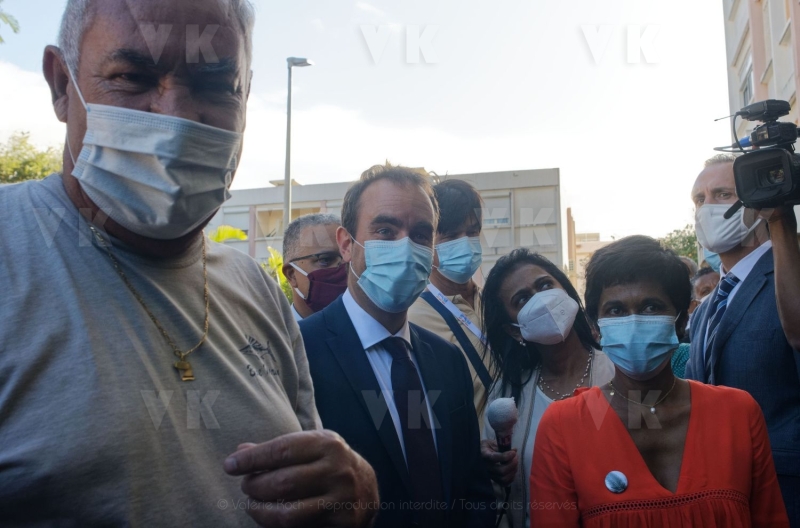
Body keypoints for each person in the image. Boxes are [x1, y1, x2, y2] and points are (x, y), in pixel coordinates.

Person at [0, 1, 379, 526]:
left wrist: (355, 494)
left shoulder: (254, 287)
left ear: (245, 93)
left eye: (215, 84)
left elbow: (311, 486)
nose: (176, 114)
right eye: (132, 77)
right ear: (62, 85)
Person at [530, 235, 789, 527]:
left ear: (680, 322)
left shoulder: (737, 413)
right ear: (596, 328)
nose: (634, 321)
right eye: (615, 310)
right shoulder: (565, 425)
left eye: (651, 307)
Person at [299, 164, 495, 528]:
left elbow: (472, 489)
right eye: (386, 230)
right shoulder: (299, 355)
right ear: (346, 244)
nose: (405, 246)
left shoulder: (447, 360)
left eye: (421, 234)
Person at [686, 154, 800, 525]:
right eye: (699, 199)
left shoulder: (791, 280)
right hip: (722, 499)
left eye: (721, 194)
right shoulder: (704, 310)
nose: (707, 209)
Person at [479, 249, 614, 528]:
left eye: (544, 285)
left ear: (564, 289)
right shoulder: (505, 396)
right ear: (515, 330)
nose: (540, 299)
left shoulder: (619, 373)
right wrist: (491, 466)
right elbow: (498, 498)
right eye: (523, 299)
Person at [408, 179, 494, 423]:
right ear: (427, 242)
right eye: (451, 235)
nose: (465, 242)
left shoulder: (494, 303)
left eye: (472, 232)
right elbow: (418, 416)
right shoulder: (412, 319)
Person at [282, 213, 348, 322]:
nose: (344, 268)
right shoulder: (274, 337)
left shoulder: (376, 332)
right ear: (291, 275)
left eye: (349, 257)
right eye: (325, 260)